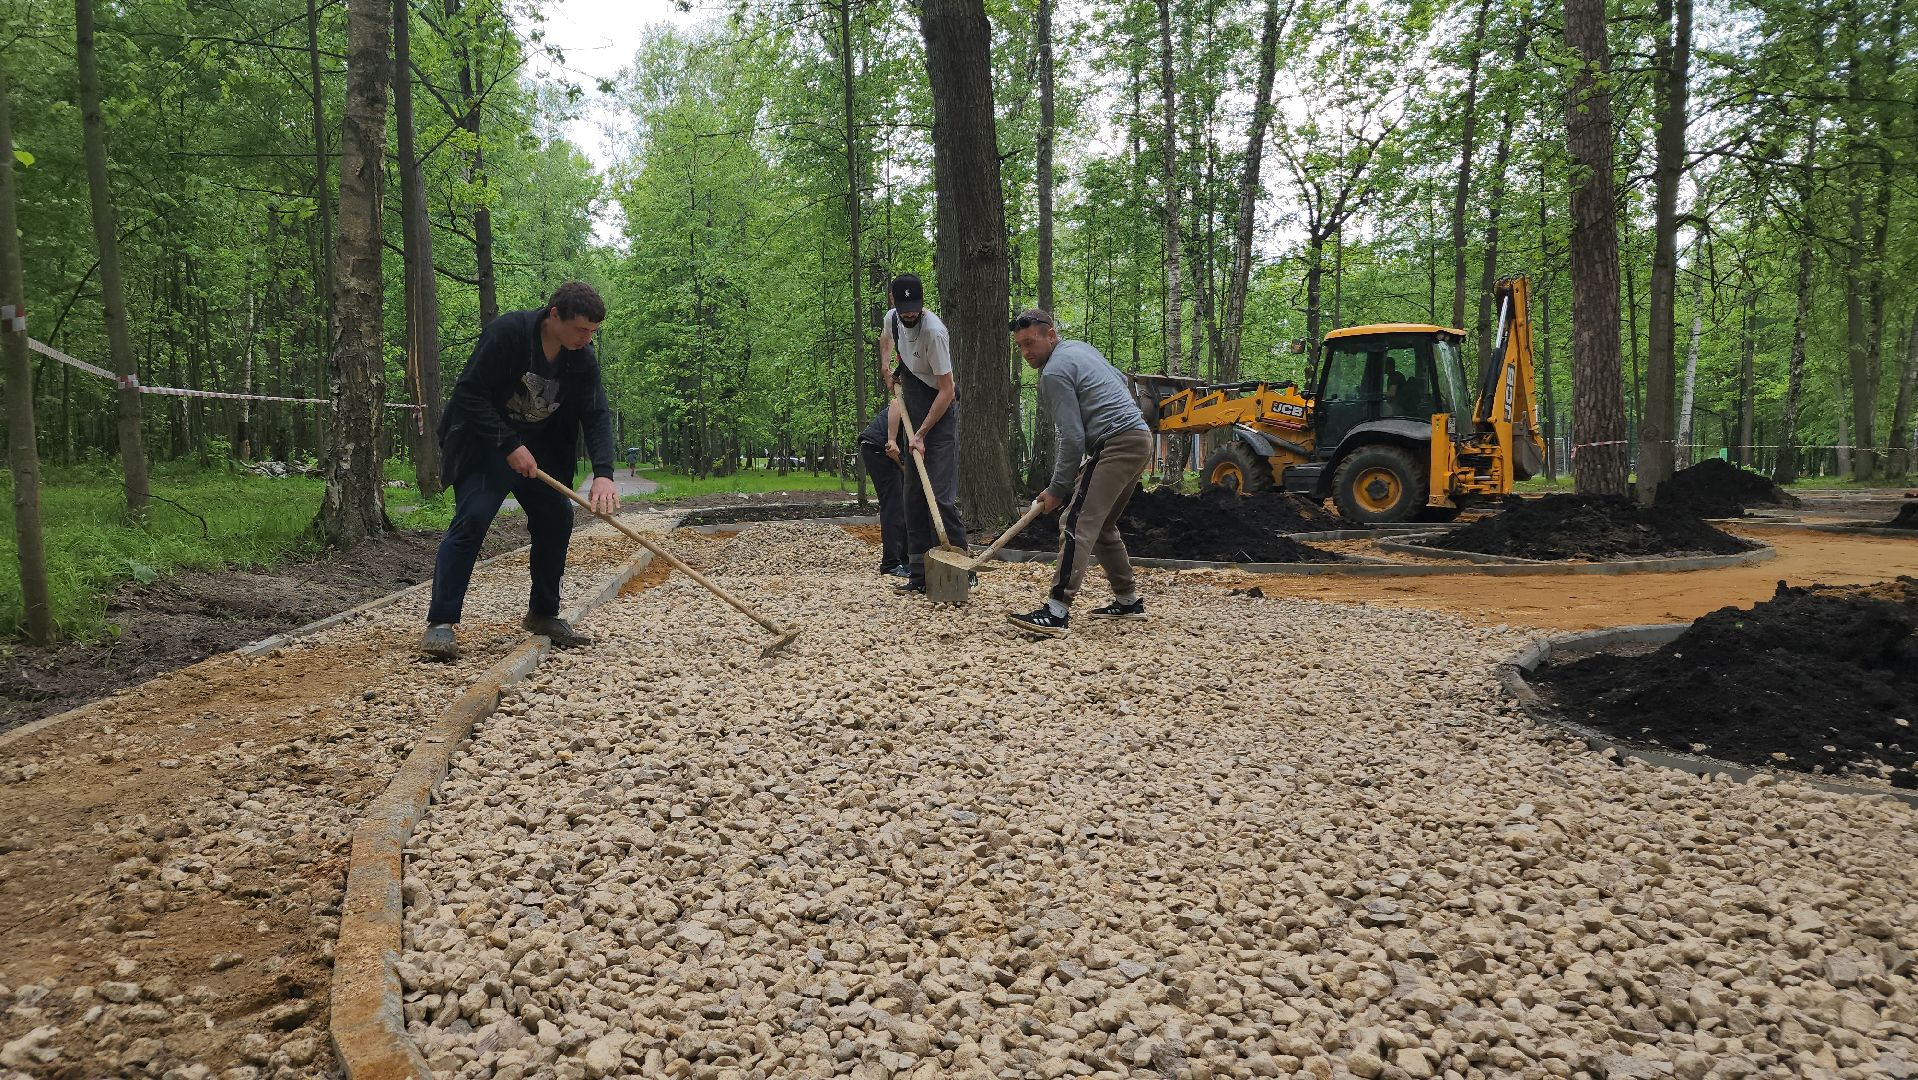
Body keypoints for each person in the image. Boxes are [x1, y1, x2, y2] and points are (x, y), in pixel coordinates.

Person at [420, 282, 619, 660]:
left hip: (541, 450)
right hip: (485, 444)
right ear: (555, 315)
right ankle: (441, 622)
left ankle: (543, 613)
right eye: (581, 329)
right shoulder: (508, 333)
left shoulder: (582, 358)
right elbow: (469, 393)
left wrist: (604, 473)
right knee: (473, 517)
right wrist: (509, 445)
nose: (587, 339)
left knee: (556, 519)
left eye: (593, 331)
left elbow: (595, 413)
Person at [1006, 309, 1153, 637]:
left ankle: (1056, 611)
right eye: (1020, 346)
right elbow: (1120, 380)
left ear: (1051, 335)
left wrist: (1057, 488)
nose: (1026, 351)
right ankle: (1128, 601)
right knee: (1102, 525)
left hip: (1118, 442)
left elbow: (1072, 437)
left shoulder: (1054, 372)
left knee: (1074, 523)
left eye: (1031, 342)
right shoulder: (1080, 349)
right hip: (1138, 437)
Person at [882, 273, 968, 592]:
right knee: (914, 496)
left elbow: (947, 391)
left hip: (939, 412)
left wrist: (922, 433)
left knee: (940, 496)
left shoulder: (934, 332)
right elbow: (886, 339)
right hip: (914, 404)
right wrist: (887, 368)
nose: (909, 315)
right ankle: (919, 575)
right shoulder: (893, 319)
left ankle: (958, 574)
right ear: (893, 301)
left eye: (914, 310)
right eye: (903, 309)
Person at [856, 401, 910, 577]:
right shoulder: (924, 399)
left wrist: (898, 460)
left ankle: (906, 560)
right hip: (877, 447)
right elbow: (896, 404)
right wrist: (891, 440)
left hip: (888, 453)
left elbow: (905, 468)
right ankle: (891, 564)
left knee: (905, 504)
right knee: (894, 505)